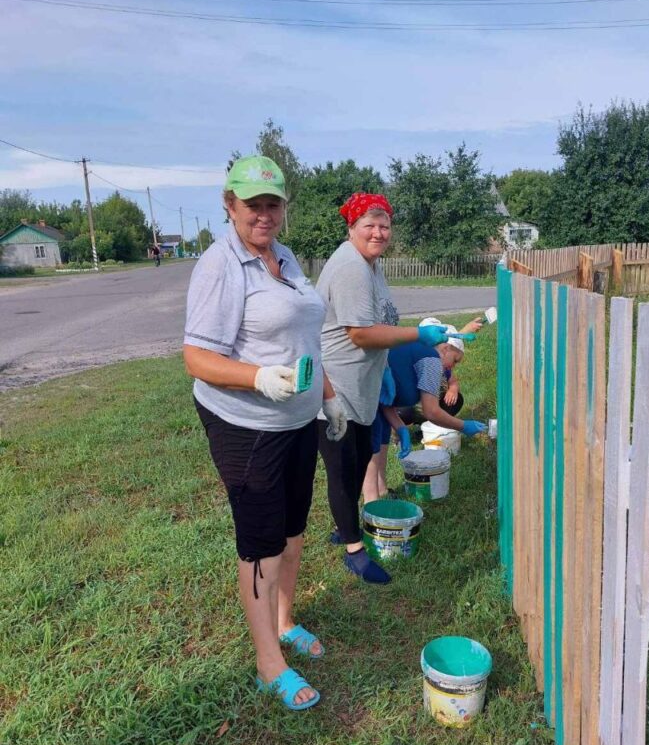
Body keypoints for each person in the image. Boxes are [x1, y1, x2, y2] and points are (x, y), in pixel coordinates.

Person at [183, 156, 346, 712]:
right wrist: (256, 376)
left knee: (294, 529)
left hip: (298, 418)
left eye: (273, 203)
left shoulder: (285, 257)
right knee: (261, 541)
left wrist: (328, 397)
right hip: (245, 423)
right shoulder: (219, 265)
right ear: (230, 205)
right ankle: (267, 661)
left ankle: (283, 620)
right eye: (253, 204)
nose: (264, 214)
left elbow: (305, 339)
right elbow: (196, 358)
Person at [315, 192, 450, 585]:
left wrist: (385, 371)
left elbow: (378, 321)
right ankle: (354, 551)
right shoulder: (350, 268)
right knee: (343, 469)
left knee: (357, 462)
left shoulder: (371, 266)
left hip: (363, 384)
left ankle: (346, 527)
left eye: (384, 225)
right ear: (351, 227)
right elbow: (359, 333)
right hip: (335, 388)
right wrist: (418, 335)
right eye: (369, 225)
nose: (378, 232)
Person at [363, 322, 487, 503]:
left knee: (381, 436)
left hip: (373, 394)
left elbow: (386, 401)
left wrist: (400, 427)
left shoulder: (418, 352)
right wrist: (463, 425)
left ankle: (381, 491)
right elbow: (432, 412)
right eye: (455, 360)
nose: (453, 367)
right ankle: (371, 504)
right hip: (364, 392)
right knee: (374, 443)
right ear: (445, 349)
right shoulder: (431, 360)